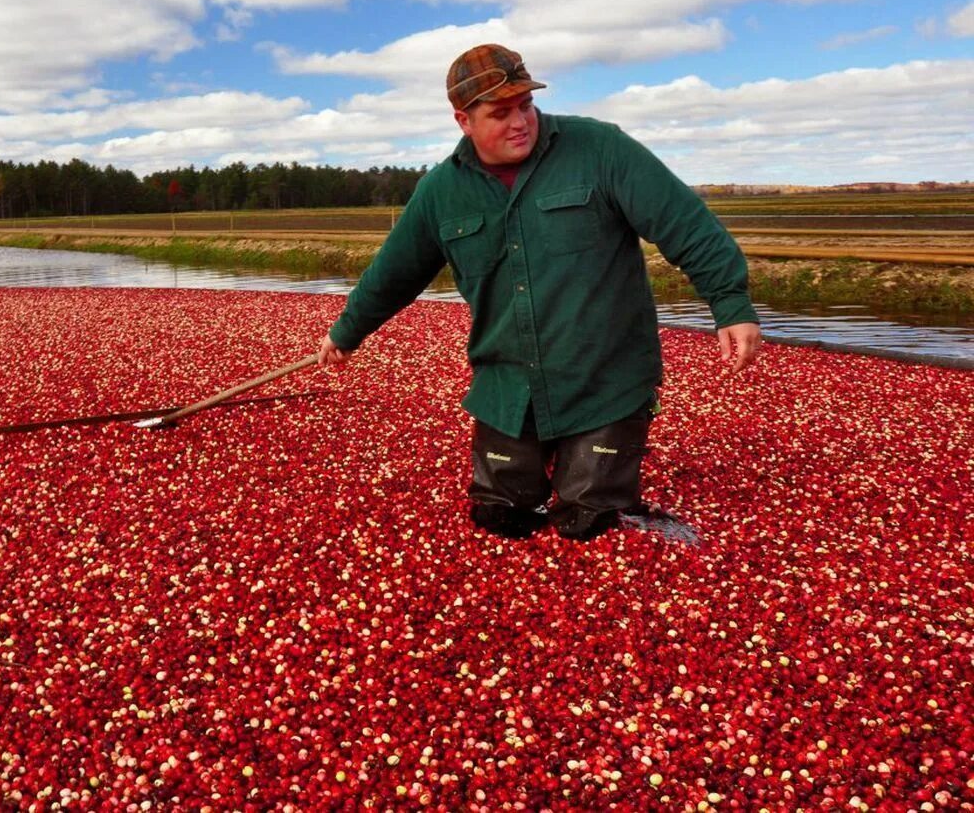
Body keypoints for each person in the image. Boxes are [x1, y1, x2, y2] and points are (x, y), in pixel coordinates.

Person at [317, 44, 761, 542]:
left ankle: (598, 484)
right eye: (500, 112)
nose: (520, 121)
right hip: (509, 382)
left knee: (588, 519)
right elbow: (394, 272)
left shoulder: (599, 149)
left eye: (525, 105)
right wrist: (348, 331)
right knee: (498, 514)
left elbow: (684, 223)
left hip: (604, 377)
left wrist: (730, 302)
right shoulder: (441, 190)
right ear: (464, 120)